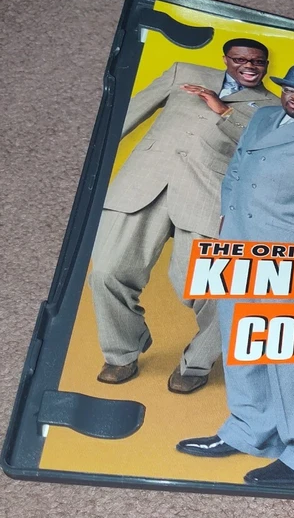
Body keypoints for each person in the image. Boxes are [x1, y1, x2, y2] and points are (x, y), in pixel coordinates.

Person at [175, 65, 294, 488]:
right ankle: (251, 431)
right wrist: (226, 223)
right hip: (242, 246)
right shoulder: (263, 117)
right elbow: (238, 169)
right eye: (291, 89)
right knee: (243, 343)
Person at [89, 38, 279, 394]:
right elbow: (124, 114)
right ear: (226, 59)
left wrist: (224, 110)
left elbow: (263, 152)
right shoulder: (184, 72)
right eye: (240, 59)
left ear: (266, 65)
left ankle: (198, 362)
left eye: (258, 61)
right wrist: (91, 153)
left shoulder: (275, 106)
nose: (249, 66)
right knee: (106, 273)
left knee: (216, 293)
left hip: (208, 195)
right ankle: (121, 352)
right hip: (143, 182)